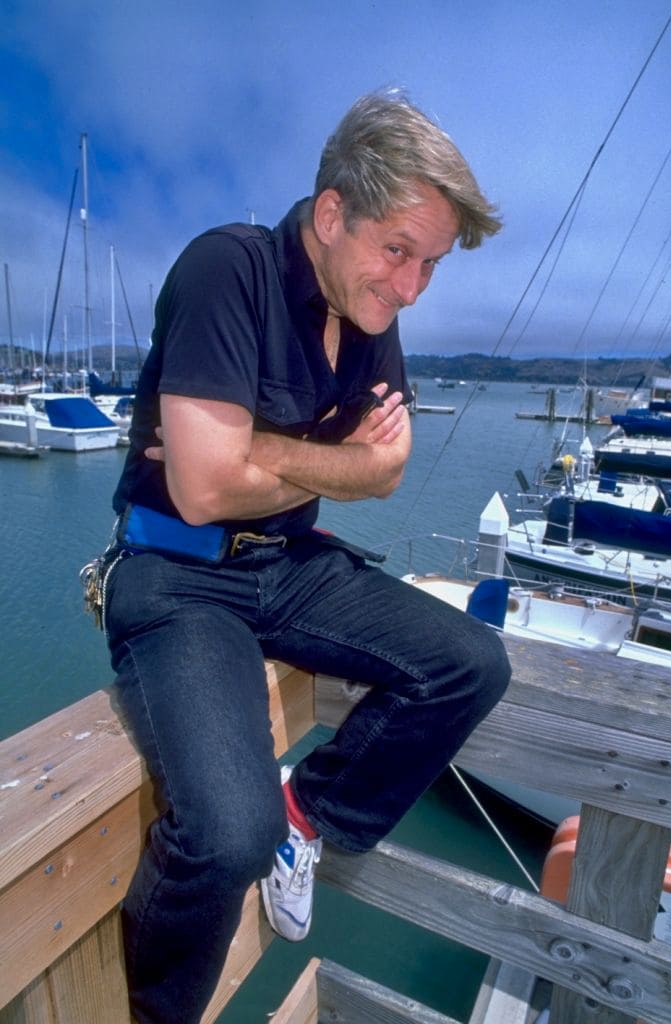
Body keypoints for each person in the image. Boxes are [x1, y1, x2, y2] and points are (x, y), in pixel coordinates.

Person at [100, 90, 511, 1024]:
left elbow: (386, 472)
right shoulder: (226, 270)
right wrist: (331, 463)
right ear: (331, 214)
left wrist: (260, 450)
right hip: (178, 577)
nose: (410, 289)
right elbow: (202, 493)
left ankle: (309, 815)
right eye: (398, 251)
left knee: (470, 663)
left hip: (287, 564)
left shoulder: (370, 310)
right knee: (225, 834)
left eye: (429, 264)